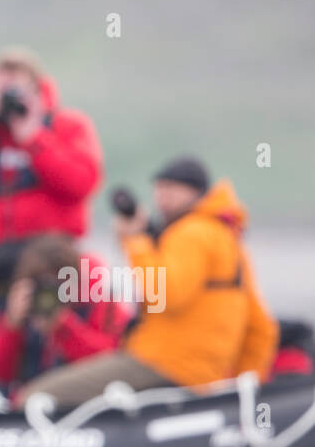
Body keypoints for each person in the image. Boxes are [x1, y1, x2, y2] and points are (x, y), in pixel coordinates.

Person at [18, 157, 279, 407]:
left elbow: (164, 294)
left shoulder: (191, 232)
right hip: (204, 375)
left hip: (165, 363)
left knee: (36, 396)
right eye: (158, 189)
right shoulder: (229, 240)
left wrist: (135, 241)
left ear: (197, 192)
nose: (161, 198)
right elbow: (261, 328)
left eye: (171, 188)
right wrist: (243, 391)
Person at [0, 46, 102, 366]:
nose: (7, 98)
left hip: (53, 263)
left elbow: (82, 181)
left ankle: (61, 400)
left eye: (15, 89)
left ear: (38, 89)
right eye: (0, 89)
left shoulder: (67, 127)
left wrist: (34, 137)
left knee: (54, 346)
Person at [0, 233, 129, 394]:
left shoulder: (98, 304)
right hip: (31, 401)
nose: (48, 294)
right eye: (42, 286)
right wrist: (11, 325)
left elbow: (111, 361)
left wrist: (63, 327)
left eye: (57, 286)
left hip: (81, 398)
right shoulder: (24, 311)